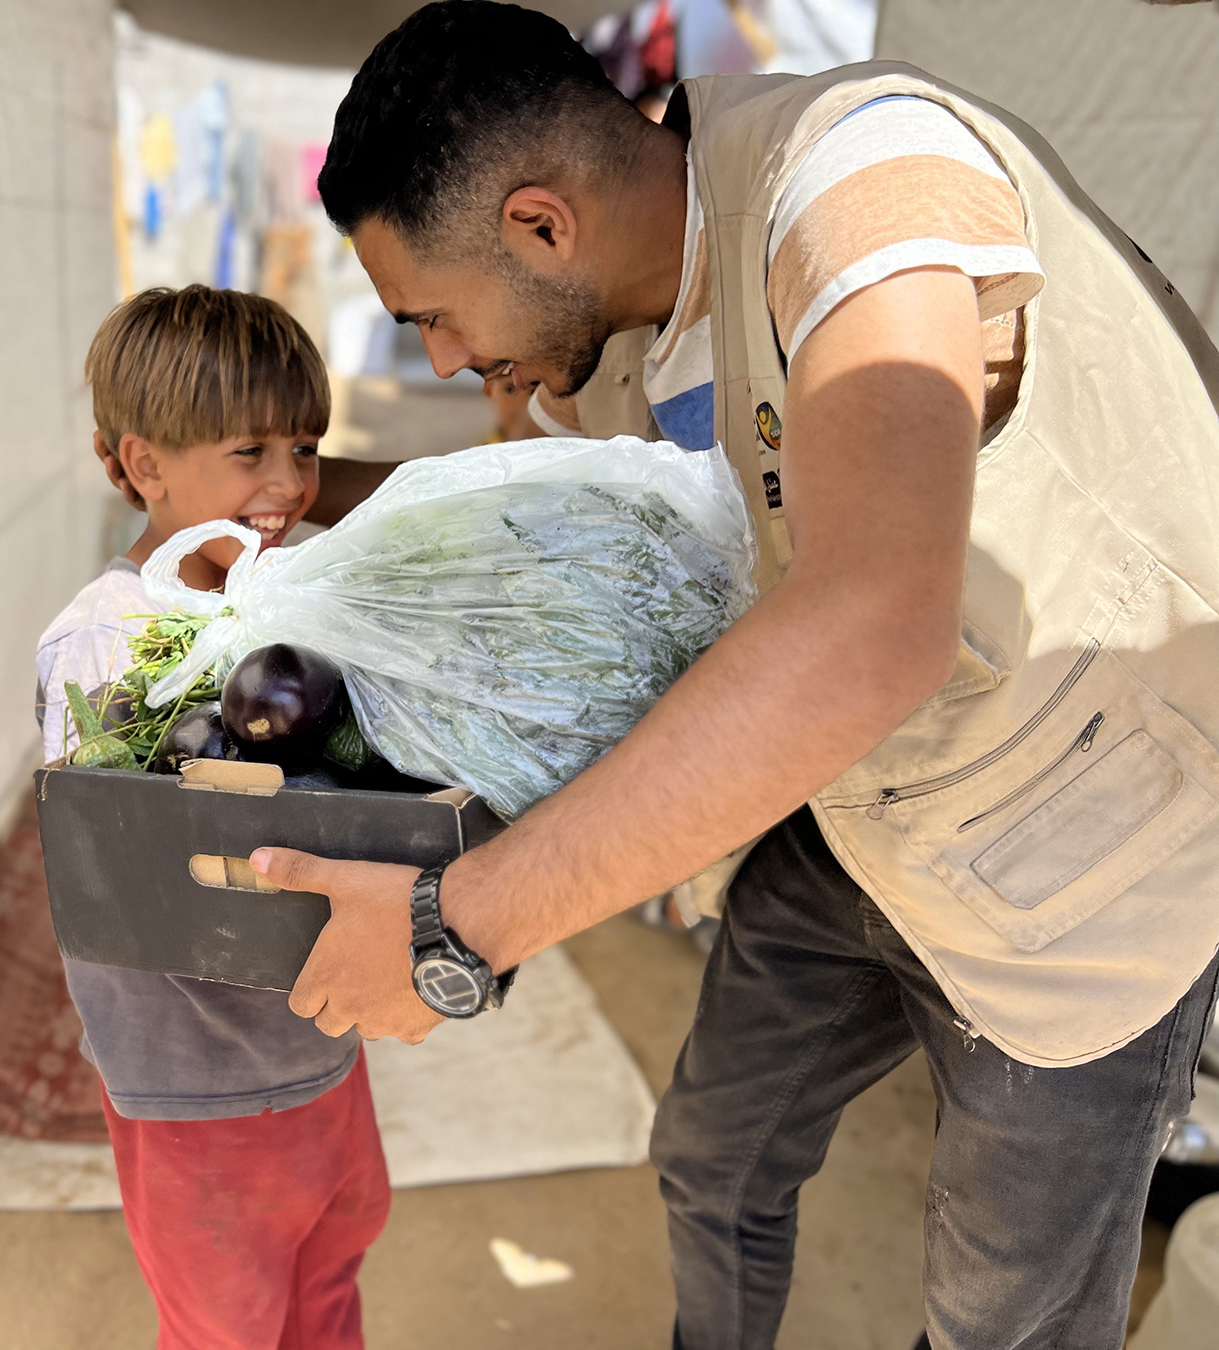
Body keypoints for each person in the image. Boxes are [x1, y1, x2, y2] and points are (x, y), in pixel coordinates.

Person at [231, 5, 1219, 1349]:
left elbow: (871, 622)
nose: (447, 362)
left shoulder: (858, 178)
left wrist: (453, 923)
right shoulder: (619, 347)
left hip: (1091, 854)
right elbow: (540, 523)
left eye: (435, 317)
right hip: (862, 812)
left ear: (540, 226)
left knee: (1004, 1310)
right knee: (715, 1153)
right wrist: (294, 505)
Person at [37, 285, 389, 1350]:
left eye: (304, 448)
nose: (288, 485)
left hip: (321, 1047)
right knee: (224, 1327)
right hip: (194, 1083)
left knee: (330, 1278)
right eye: (250, 453)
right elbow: (135, 860)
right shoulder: (105, 642)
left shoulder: (288, 607)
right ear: (145, 466)